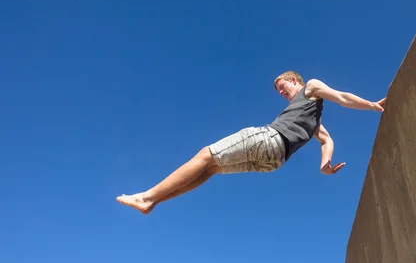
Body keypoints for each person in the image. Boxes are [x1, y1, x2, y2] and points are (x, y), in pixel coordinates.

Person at [116, 70, 386, 214]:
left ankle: (146, 196)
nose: (282, 93)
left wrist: (372, 105)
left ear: (295, 80)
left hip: (269, 139)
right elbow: (326, 140)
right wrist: (325, 165)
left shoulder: (311, 87)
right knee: (209, 169)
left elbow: (341, 96)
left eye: (284, 87)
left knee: (204, 155)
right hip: (273, 162)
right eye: (280, 92)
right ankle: (153, 202)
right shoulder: (314, 120)